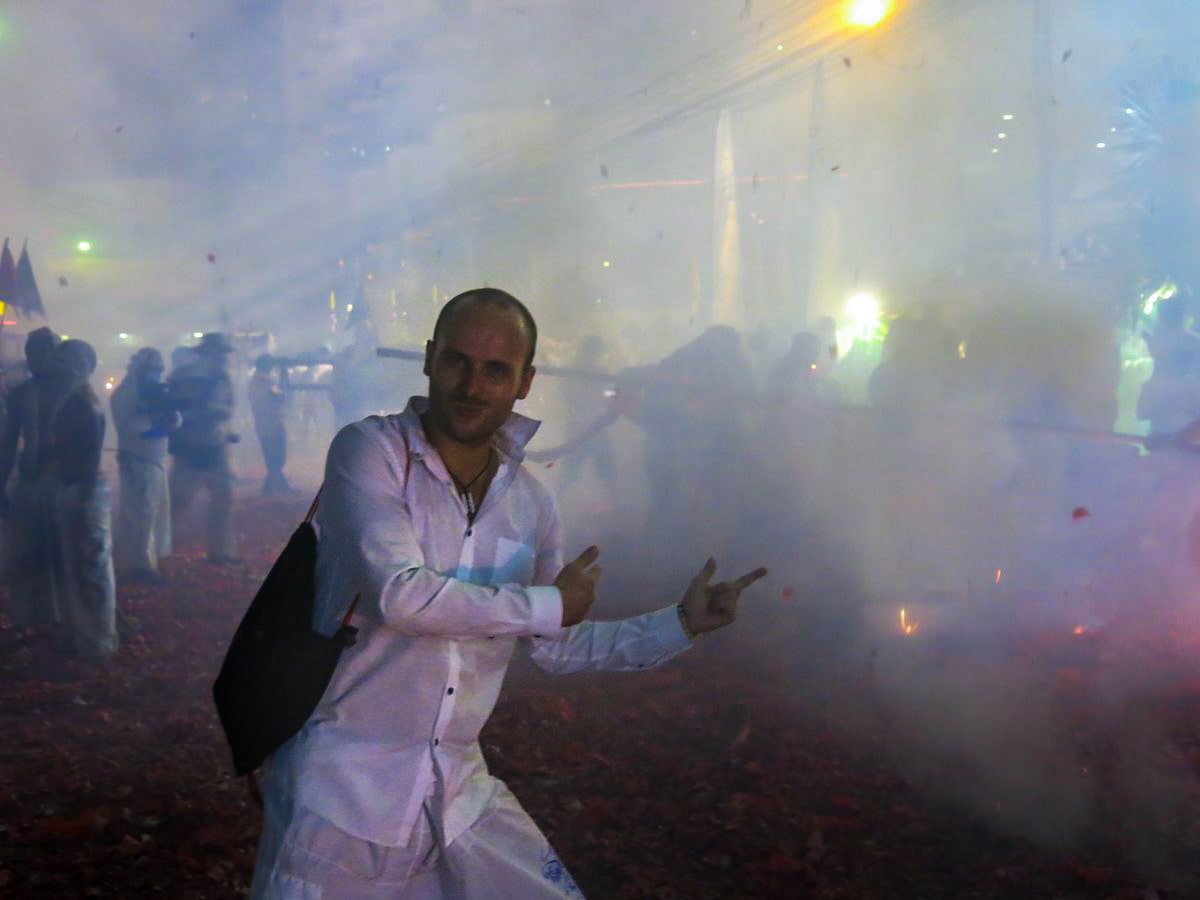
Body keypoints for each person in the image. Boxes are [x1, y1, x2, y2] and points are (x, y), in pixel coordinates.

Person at [250, 288, 767, 899]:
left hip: (457, 794)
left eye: (496, 370)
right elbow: (399, 595)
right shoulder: (372, 453)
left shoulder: (530, 505)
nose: (472, 385)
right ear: (428, 360)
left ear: (524, 382)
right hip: (342, 796)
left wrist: (680, 622)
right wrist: (548, 605)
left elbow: (553, 646)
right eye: (457, 362)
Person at [47, 339, 118, 659]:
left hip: (83, 492)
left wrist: (79, 495)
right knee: (79, 567)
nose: (58, 367)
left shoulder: (82, 403)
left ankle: (97, 641)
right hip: (76, 489)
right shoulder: (72, 398)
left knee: (89, 568)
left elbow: (85, 457)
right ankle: (86, 635)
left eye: (65, 361)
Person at [0, 327, 66, 638]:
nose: (35, 358)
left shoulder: (73, 392)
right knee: (24, 551)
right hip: (31, 480)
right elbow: (8, 444)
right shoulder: (20, 395)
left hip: (63, 482)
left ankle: (59, 616)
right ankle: (25, 617)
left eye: (42, 351)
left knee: (60, 551)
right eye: (32, 352)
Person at [168, 332, 240, 565]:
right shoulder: (184, 377)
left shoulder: (223, 377)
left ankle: (221, 550)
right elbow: (172, 410)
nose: (223, 357)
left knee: (224, 499)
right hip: (190, 446)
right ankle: (159, 545)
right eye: (219, 353)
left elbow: (227, 409)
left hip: (216, 444)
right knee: (177, 501)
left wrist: (224, 426)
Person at [111, 347, 177, 582]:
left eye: (159, 369)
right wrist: (160, 427)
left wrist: (171, 419)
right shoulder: (125, 394)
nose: (156, 374)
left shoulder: (155, 393)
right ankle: (141, 566)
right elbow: (131, 430)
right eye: (152, 370)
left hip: (154, 460)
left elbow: (172, 421)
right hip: (137, 461)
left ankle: (146, 560)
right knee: (141, 514)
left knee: (153, 513)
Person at [248, 354, 291, 496]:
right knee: (277, 456)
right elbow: (280, 397)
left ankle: (274, 485)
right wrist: (284, 380)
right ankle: (273, 487)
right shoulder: (264, 381)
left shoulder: (257, 380)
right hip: (271, 422)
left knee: (273, 456)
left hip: (265, 422)